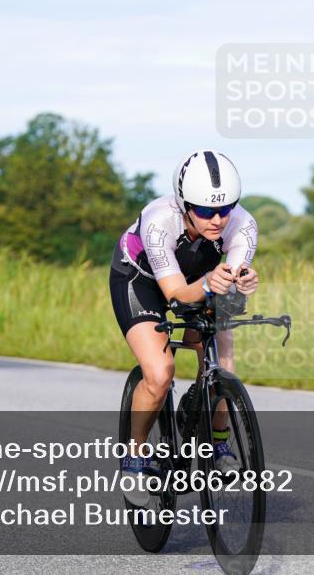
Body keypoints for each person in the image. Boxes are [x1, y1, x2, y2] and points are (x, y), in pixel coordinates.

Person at [109, 150, 259, 505]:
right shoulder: (160, 220)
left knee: (223, 361)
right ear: (183, 203)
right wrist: (210, 283)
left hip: (197, 278)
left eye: (227, 208)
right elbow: (176, 294)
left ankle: (218, 439)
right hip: (141, 279)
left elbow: (228, 287)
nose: (219, 220)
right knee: (160, 373)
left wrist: (240, 283)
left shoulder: (244, 224)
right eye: (206, 211)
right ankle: (134, 454)